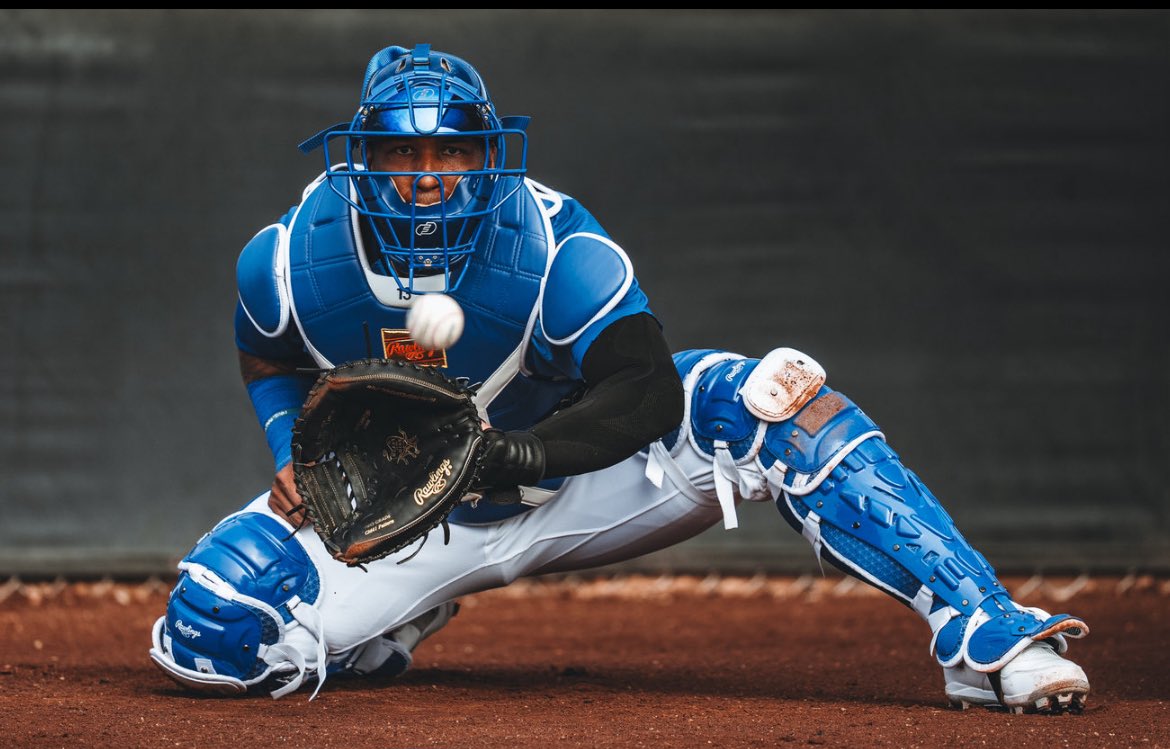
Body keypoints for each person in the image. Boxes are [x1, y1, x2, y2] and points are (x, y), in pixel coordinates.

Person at [149, 44, 1090, 713]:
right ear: (361, 160)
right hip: (397, 511)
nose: (426, 177)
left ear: (486, 159)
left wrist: (512, 451)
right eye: (401, 153)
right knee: (213, 630)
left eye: (451, 153)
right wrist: (289, 452)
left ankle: (989, 635)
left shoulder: (554, 245)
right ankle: (396, 620)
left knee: (771, 399)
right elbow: (267, 355)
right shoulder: (287, 262)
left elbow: (646, 392)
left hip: (569, 477)